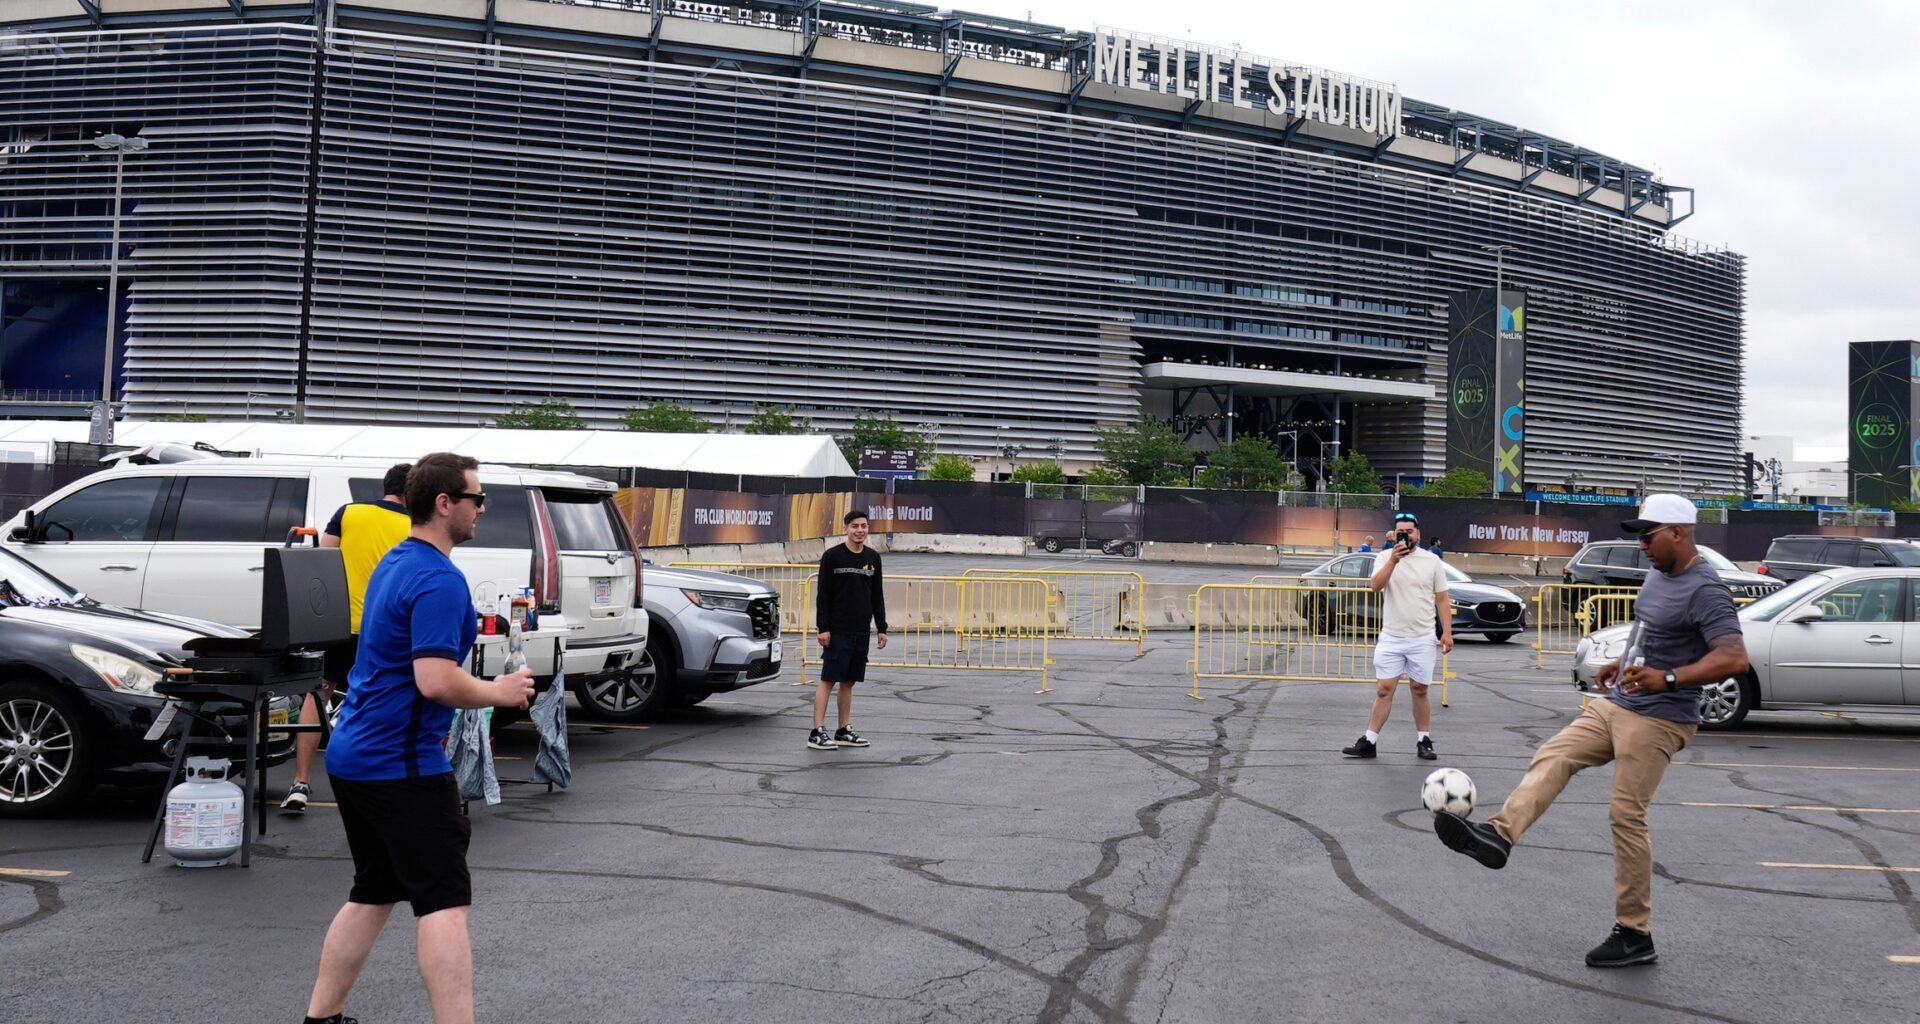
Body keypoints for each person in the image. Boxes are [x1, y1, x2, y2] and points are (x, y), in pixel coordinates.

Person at [1432, 493, 1748, 969]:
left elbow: (1733, 657)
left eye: (1648, 534)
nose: (1640, 544)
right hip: (1619, 701)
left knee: (1626, 816)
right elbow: (1655, 633)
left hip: (1662, 715)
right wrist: (1624, 662)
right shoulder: (1660, 575)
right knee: (1555, 753)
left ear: (1679, 533)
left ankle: (1634, 933)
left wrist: (1667, 678)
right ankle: (1499, 835)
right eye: (1638, 535)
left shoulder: (1706, 588)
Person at [301, 453, 536, 1024]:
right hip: (399, 764)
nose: (483, 509)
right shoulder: (436, 577)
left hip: (355, 755)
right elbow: (434, 680)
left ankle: (321, 1019)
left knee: (374, 890)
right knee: (444, 904)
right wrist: (499, 692)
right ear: (444, 503)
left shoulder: (396, 562)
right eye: (477, 498)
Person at [283, 462, 413, 814]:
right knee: (378, 698)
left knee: (319, 691)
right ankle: (374, 785)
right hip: (384, 628)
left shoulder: (349, 512)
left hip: (340, 624)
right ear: (412, 491)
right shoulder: (414, 525)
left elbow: (322, 561)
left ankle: (300, 781)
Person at [1341, 511, 1451, 761]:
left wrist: (1447, 633)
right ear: (1394, 534)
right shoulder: (1383, 557)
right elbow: (1375, 586)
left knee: (1420, 688)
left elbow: (1443, 599)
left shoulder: (1431, 561)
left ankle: (1424, 739)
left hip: (1422, 636)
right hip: (1392, 635)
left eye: (1409, 531)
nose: (1405, 535)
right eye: (1401, 531)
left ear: (1418, 534)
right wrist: (1393, 560)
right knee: (1384, 688)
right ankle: (1369, 740)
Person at [811, 509, 888, 750]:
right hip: (837, 630)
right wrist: (823, 627)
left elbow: (877, 595)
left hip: (861, 631)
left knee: (849, 681)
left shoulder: (873, 558)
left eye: (864, 526)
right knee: (828, 679)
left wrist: (881, 627)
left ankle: (843, 729)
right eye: (855, 526)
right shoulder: (832, 557)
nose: (860, 530)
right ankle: (817, 731)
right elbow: (823, 594)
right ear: (845, 528)